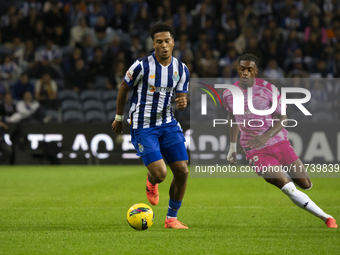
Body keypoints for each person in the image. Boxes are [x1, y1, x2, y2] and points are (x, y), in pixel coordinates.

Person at [223, 53, 337, 228]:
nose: (245, 73)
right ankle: (326, 218)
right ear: (237, 69)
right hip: (254, 149)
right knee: (287, 186)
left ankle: (284, 171)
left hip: (278, 142)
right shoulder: (228, 94)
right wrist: (232, 146)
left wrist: (265, 137)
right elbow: (232, 118)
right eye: (241, 69)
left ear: (256, 71)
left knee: (305, 184)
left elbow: (283, 118)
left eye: (249, 70)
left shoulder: (269, 89)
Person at [111, 23, 189, 229]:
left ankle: (171, 219)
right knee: (161, 174)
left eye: (167, 41)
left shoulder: (181, 69)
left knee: (182, 171)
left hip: (168, 124)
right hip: (143, 126)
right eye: (159, 42)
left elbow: (181, 99)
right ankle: (152, 180)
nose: (164, 45)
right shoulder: (141, 66)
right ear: (153, 44)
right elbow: (123, 87)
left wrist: (182, 102)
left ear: (173, 42)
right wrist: (119, 117)